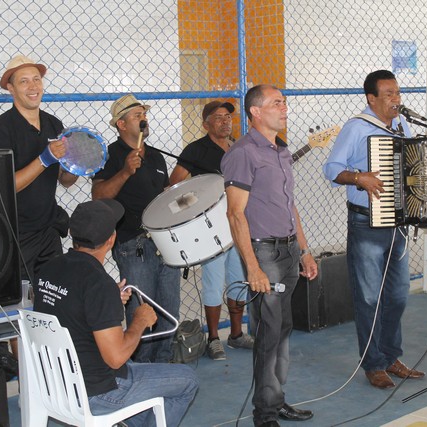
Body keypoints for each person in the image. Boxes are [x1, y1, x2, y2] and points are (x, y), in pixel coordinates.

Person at [323, 69, 427, 389]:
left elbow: (414, 169)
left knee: (397, 295)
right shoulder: (356, 127)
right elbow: (331, 169)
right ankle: (373, 364)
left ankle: (391, 356)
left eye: (397, 93)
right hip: (366, 223)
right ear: (372, 98)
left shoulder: (402, 126)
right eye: (389, 94)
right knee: (369, 298)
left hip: (397, 224)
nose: (396, 99)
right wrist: (359, 178)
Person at [33, 199, 198, 427]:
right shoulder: (98, 283)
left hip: (57, 384)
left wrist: (110, 300)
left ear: (73, 235)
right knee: (188, 379)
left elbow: (72, 309)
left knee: (144, 391)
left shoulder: (49, 269)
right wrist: (139, 321)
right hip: (97, 391)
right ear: (111, 240)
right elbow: (116, 357)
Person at [221, 85, 318, 427]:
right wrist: (253, 267)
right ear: (256, 112)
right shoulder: (243, 153)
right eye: (277, 103)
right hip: (264, 253)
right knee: (269, 331)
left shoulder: (281, 151)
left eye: (285, 102)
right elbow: (235, 214)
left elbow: (289, 205)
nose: (284, 108)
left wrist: (304, 251)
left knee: (282, 329)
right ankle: (264, 415)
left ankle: (275, 400)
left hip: (288, 249)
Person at [92, 94, 180, 363]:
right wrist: (125, 172)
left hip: (165, 241)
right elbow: (98, 195)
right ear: (121, 124)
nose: (144, 119)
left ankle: (164, 365)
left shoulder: (156, 156)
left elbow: (163, 196)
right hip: (133, 244)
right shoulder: (111, 155)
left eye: (144, 114)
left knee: (168, 310)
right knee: (140, 311)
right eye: (137, 116)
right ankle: (140, 369)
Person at [169, 101, 254, 361]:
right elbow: (173, 189)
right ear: (206, 124)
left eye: (228, 116)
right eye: (218, 117)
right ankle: (214, 338)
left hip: (238, 224)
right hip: (211, 229)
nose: (225, 121)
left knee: (239, 280)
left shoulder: (239, 147)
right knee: (214, 283)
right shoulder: (195, 150)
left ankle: (237, 334)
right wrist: (197, 206)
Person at [0, 54, 78, 283]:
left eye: (36, 79)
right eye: (23, 81)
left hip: (48, 230)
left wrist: (80, 165)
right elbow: (5, 187)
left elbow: (65, 180)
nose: (33, 87)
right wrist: (44, 159)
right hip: (16, 234)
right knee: (20, 298)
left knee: (53, 295)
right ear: (11, 88)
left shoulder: (54, 124)